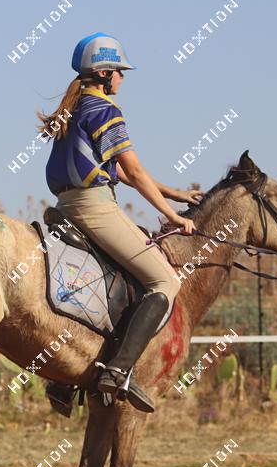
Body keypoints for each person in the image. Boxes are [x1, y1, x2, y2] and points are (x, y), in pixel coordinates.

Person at [41, 32, 202, 412]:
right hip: (94, 207)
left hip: (65, 206)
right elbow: (134, 170)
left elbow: (121, 172)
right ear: (105, 73)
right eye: (120, 72)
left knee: (106, 283)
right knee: (165, 281)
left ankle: (65, 377)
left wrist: (173, 193)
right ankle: (117, 371)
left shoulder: (76, 108)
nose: (123, 79)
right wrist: (172, 216)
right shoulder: (105, 110)